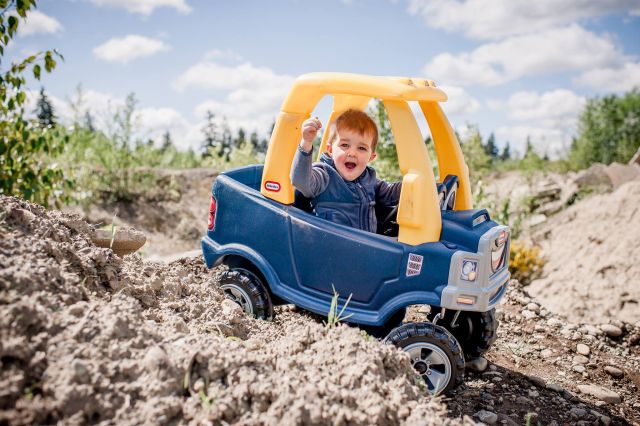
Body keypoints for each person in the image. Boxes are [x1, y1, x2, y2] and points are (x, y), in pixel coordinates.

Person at [290, 109, 401, 233]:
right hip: (330, 247)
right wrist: (306, 143)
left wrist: (416, 184)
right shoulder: (324, 176)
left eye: (361, 148)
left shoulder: (370, 180)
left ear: (371, 157)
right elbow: (300, 181)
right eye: (345, 145)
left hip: (367, 248)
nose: (352, 153)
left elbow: (392, 193)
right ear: (330, 150)